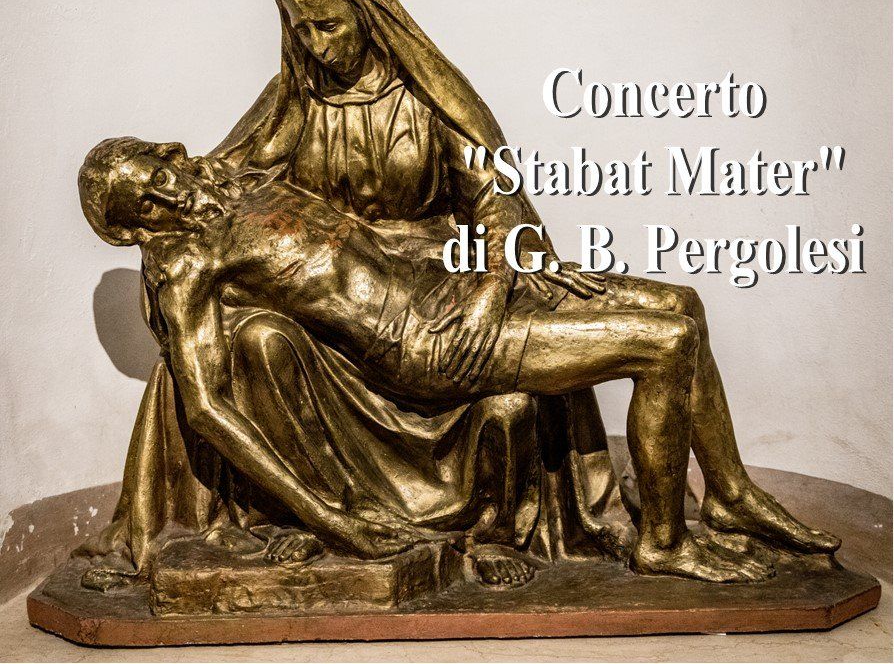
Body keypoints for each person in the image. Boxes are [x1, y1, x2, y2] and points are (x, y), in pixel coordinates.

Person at [79, 136, 839, 582]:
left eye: (160, 167)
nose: (170, 188)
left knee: (683, 305)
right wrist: (331, 521)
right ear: (136, 227)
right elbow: (208, 409)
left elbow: (309, 86)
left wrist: (505, 260)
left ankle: (728, 492)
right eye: (149, 199)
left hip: (454, 281)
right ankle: (663, 543)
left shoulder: (236, 176)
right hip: (426, 345)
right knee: (665, 346)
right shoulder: (183, 263)